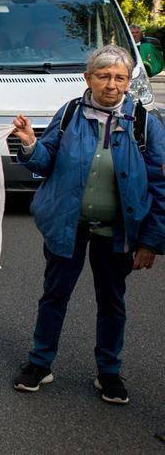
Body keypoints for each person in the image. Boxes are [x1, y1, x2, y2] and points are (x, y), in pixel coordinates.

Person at [10, 44, 165, 404]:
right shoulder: (69, 114)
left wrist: (151, 241)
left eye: (119, 78)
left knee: (112, 301)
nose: (111, 84)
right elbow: (44, 163)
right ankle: (40, 363)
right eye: (103, 76)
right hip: (69, 225)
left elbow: (160, 185)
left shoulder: (144, 123)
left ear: (128, 83)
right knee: (55, 295)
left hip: (118, 232)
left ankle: (109, 372)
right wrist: (32, 144)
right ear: (88, 78)